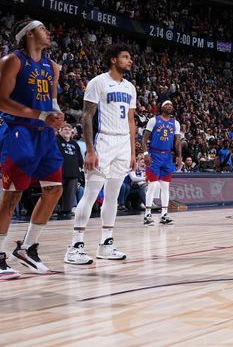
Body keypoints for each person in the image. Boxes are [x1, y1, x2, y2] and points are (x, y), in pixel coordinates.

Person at [0, 19, 65, 278]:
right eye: (43, 29)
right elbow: (2, 102)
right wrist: (40, 116)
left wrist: (57, 116)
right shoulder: (12, 61)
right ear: (29, 34)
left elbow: (53, 102)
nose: (48, 32)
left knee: (54, 190)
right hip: (19, 132)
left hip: (45, 135)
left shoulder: (52, 66)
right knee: (12, 196)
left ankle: (27, 248)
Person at [65, 43, 137, 265]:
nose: (130, 60)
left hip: (124, 143)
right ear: (113, 59)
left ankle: (106, 244)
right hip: (104, 140)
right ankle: (75, 247)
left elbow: (131, 120)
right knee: (91, 193)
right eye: (125, 57)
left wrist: (133, 151)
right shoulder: (98, 82)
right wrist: (90, 150)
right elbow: (87, 117)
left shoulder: (130, 87)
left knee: (113, 195)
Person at [141, 100, 183, 225]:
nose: (170, 106)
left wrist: (179, 156)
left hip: (167, 157)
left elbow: (177, 142)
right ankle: (147, 215)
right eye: (167, 105)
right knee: (152, 186)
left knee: (165, 187)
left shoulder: (175, 123)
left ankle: (164, 215)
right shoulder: (154, 120)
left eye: (171, 105)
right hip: (154, 155)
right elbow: (144, 140)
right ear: (162, 107)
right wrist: (145, 154)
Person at [57, 125, 83, 220]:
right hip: (59, 172)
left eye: (69, 129)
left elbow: (80, 157)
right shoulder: (56, 141)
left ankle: (66, 211)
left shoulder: (75, 144)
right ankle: (55, 210)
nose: (67, 131)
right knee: (56, 193)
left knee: (70, 193)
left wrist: (80, 167)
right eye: (65, 129)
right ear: (60, 131)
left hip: (73, 173)